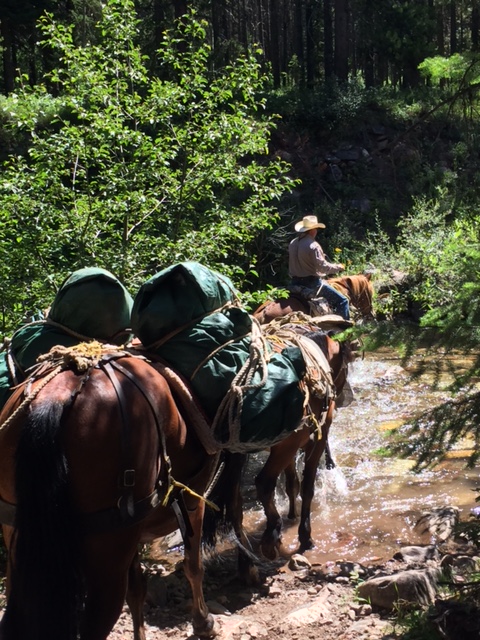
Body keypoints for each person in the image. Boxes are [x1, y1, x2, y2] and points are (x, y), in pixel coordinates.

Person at [288, 215, 350, 320]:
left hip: (294, 283)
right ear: (312, 230)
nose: (316, 231)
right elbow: (323, 267)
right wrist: (338, 267)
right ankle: (344, 330)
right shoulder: (313, 245)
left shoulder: (292, 243)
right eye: (316, 229)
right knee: (343, 301)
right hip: (312, 284)